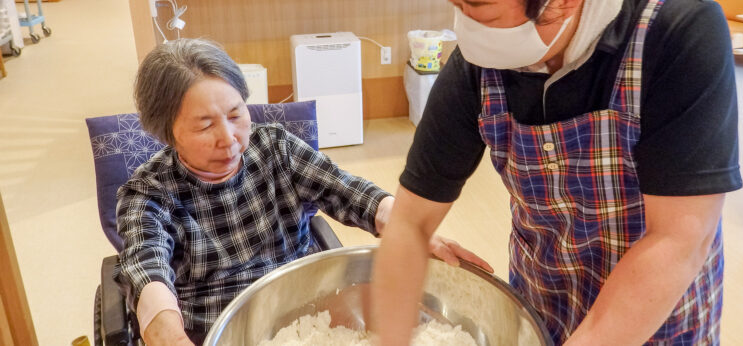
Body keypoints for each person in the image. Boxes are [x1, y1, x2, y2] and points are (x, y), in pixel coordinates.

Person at [373, 0, 742, 345]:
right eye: (454, 1)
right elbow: (411, 222)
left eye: (481, 8)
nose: (465, 27)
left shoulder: (677, 32)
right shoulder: (479, 62)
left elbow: (678, 239)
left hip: (654, 312)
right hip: (543, 295)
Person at [115, 39, 488, 345]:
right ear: (167, 132)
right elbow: (148, 271)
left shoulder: (275, 148)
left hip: (307, 316)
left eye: (235, 114)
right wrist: (170, 336)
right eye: (204, 125)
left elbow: (348, 191)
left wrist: (412, 228)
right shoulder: (148, 192)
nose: (228, 139)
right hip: (220, 329)